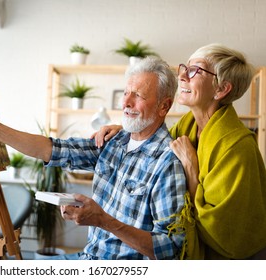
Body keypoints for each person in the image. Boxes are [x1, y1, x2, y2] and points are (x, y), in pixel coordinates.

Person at [0, 56, 187, 260]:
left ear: (164, 106)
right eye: (126, 92)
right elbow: (52, 149)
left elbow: (169, 248)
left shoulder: (167, 163)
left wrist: (104, 221)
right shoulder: (114, 141)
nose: (126, 103)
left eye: (138, 95)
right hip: (88, 257)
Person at [92, 43, 266, 259]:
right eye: (186, 67)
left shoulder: (238, 146)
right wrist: (127, 128)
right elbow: (156, 140)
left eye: (195, 71)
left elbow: (226, 230)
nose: (182, 76)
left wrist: (192, 170)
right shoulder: (188, 124)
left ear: (221, 89)